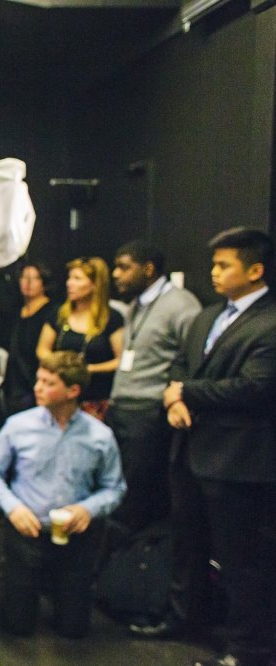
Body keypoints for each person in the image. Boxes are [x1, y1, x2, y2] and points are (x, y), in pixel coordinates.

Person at [130, 227, 276, 666]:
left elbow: (256, 387)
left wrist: (184, 393)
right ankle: (183, 618)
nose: (213, 272)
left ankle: (247, 648)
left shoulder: (269, 323)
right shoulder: (207, 317)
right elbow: (179, 366)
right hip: (190, 451)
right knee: (186, 544)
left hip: (239, 463)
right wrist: (174, 398)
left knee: (240, 561)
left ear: (255, 270)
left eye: (223, 265)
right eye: (213, 264)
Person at [0, 351, 126, 638]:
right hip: (27, 532)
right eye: (38, 379)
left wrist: (89, 508)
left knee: (73, 629)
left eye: (48, 382)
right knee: (15, 626)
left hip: (76, 539)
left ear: (72, 391)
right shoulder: (18, 426)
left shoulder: (100, 436)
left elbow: (115, 487)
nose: (37, 387)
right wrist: (12, 507)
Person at [106, 240, 200, 534]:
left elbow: (193, 357)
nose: (116, 274)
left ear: (148, 269)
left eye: (124, 267)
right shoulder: (136, 304)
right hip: (121, 404)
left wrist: (176, 396)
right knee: (116, 480)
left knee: (138, 489)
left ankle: (132, 556)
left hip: (148, 410)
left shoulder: (181, 304)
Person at [37, 256, 123, 419]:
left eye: (77, 278)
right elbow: (42, 349)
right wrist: (62, 366)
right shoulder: (58, 314)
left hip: (95, 399)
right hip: (59, 397)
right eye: (70, 277)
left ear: (94, 284)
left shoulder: (111, 318)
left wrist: (88, 369)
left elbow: (120, 359)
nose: (69, 283)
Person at [0, 262, 56, 416]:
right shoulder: (16, 311)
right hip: (13, 381)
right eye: (24, 277)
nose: (28, 282)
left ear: (44, 282)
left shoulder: (52, 312)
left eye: (35, 278)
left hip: (35, 380)